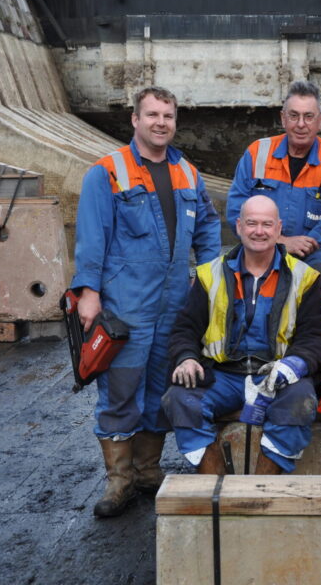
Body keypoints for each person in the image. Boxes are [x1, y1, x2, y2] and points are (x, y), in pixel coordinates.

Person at [71, 86, 221, 517]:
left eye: (168, 116)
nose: (161, 123)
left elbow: (209, 227)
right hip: (125, 305)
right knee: (121, 390)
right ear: (134, 120)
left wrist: (210, 277)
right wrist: (89, 293)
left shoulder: (187, 173)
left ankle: (146, 470)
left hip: (174, 303)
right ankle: (118, 481)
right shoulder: (107, 172)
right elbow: (91, 236)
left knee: (162, 389)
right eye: (152, 114)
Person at [162, 195, 321, 474]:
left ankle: (262, 488)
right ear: (239, 226)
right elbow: (184, 329)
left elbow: (314, 337)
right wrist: (186, 358)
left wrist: (294, 364)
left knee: (301, 399)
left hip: (276, 375)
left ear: (279, 229)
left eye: (266, 224)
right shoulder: (209, 275)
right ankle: (215, 484)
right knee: (178, 399)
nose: (259, 231)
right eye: (251, 223)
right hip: (223, 375)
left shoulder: (305, 277)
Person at [226, 81, 321, 274]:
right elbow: (236, 210)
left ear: (320, 121)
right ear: (283, 119)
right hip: (262, 246)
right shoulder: (257, 153)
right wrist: (281, 242)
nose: (301, 124)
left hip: (315, 252)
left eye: (308, 117)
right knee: (231, 273)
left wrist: (304, 245)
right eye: (294, 116)